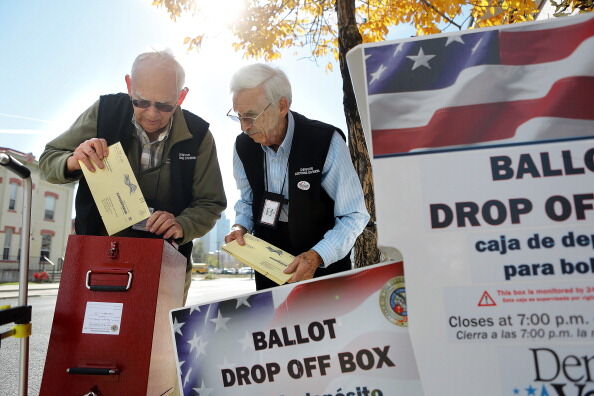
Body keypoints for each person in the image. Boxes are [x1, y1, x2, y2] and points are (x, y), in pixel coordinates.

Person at [39, 50, 226, 303]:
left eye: (164, 105)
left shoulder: (200, 135)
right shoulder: (104, 112)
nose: (151, 113)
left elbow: (210, 202)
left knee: (157, 341)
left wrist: (182, 224)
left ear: (181, 96)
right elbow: (49, 159)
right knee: (98, 340)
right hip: (99, 260)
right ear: (129, 85)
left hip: (166, 264)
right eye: (141, 102)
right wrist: (74, 160)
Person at [224, 63, 370, 290]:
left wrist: (317, 256)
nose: (244, 127)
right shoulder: (243, 146)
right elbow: (247, 200)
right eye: (239, 116)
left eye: (251, 116)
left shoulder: (324, 141)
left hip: (322, 265)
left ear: (282, 106)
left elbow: (354, 215)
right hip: (268, 267)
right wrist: (239, 227)